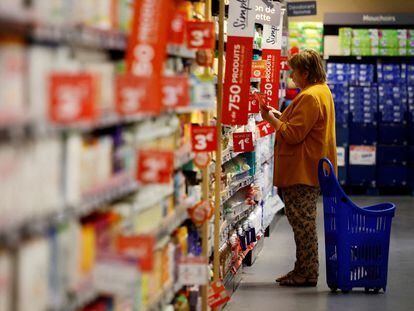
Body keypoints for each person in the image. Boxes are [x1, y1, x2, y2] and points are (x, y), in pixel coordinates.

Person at [259, 49, 337, 287]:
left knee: (303, 225)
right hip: (312, 166)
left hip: (302, 170)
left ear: (305, 72)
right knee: (303, 223)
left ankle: (307, 273)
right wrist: (280, 115)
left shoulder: (310, 96)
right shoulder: (321, 91)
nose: (291, 76)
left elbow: (293, 134)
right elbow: (303, 126)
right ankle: (301, 269)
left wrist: (269, 118)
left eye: (294, 71)